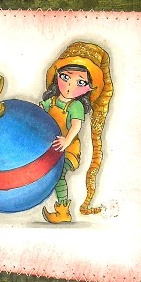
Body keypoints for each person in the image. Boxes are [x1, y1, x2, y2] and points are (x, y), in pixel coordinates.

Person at [40, 42, 112, 223]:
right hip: (49, 147)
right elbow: (39, 114)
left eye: (80, 82)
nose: (70, 86)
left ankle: (63, 210)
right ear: (56, 76)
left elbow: (76, 127)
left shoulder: (76, 106)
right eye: (65, 77)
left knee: (58, 174)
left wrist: (66, 141)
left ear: (89, 87)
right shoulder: (52, 101)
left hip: (68, 150)